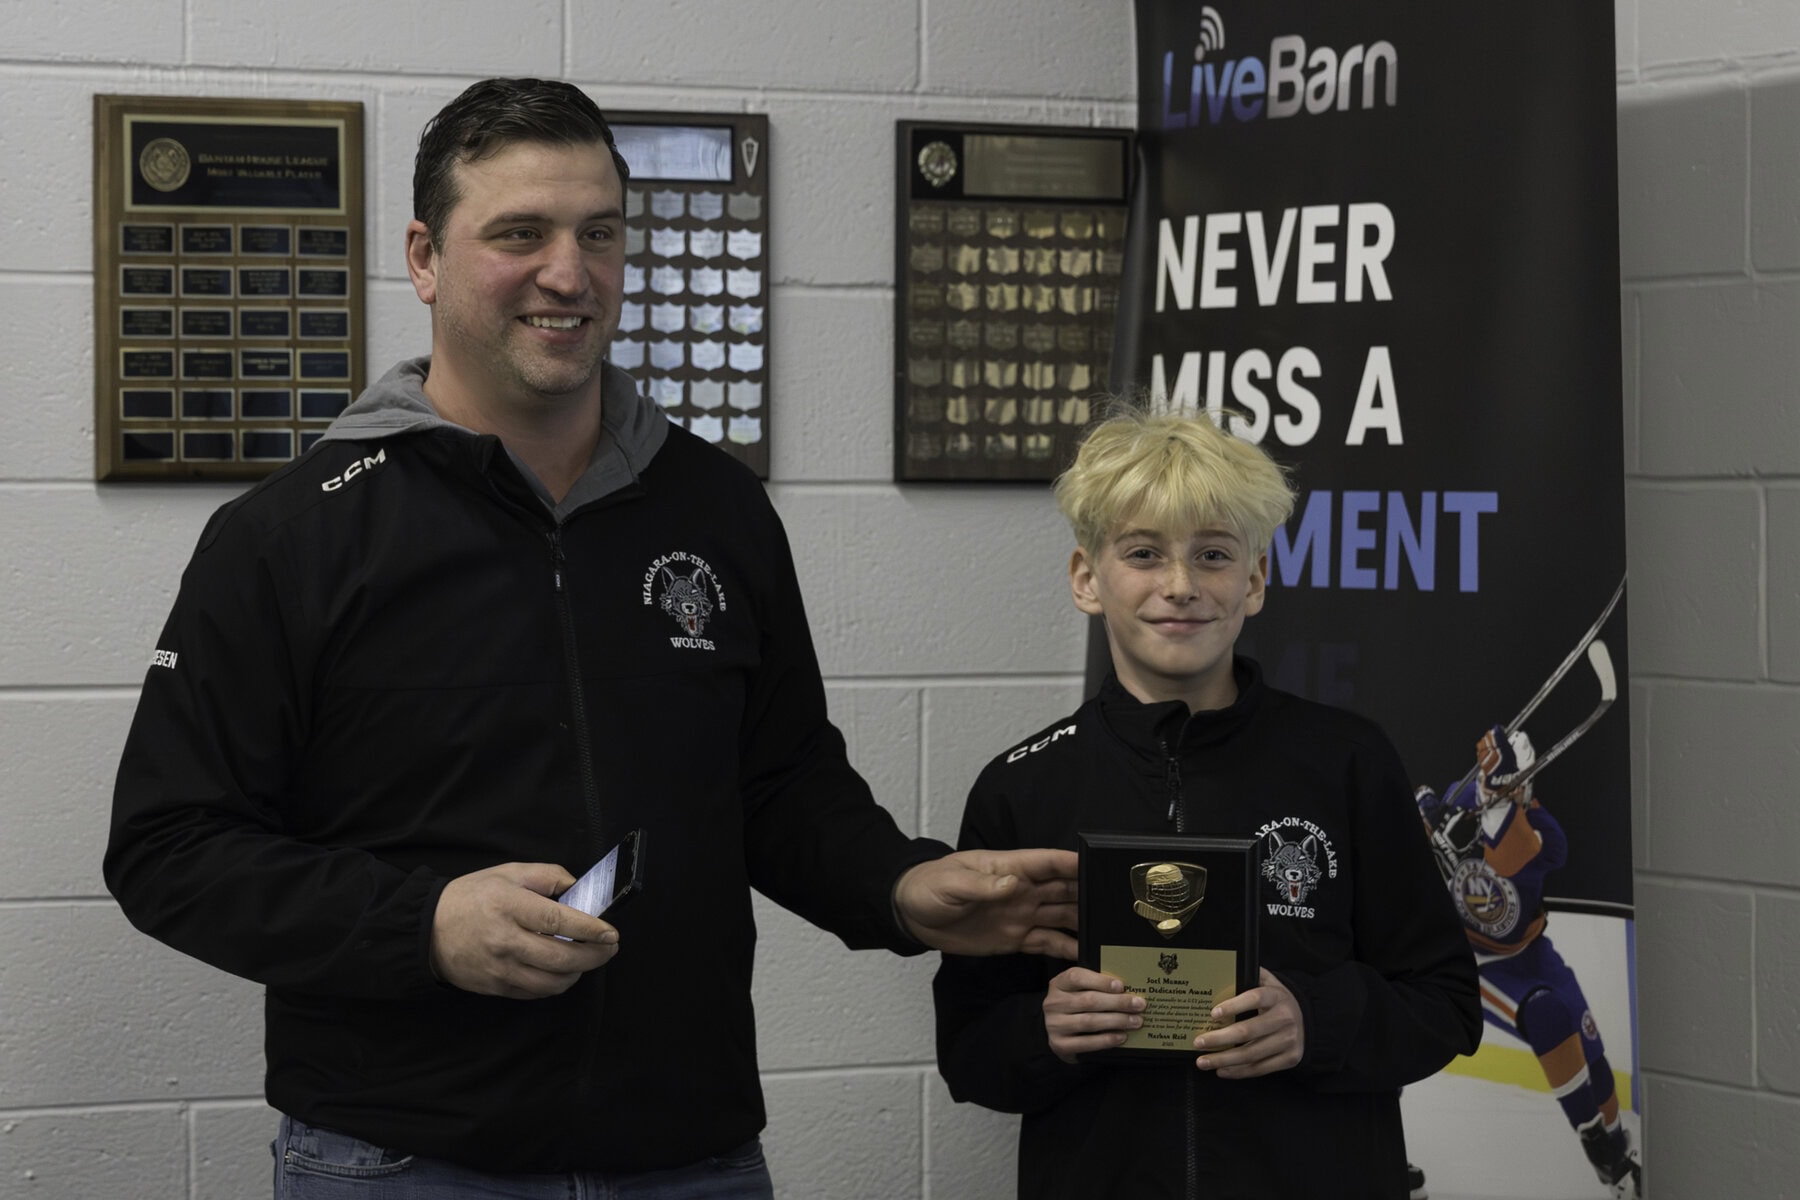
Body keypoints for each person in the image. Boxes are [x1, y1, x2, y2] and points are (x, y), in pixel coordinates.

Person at [104, 77, 1077, 1198]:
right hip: (402, 1158)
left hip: (689, 1155)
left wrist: (900, 889)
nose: (570, 273)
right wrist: (422, 926)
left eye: (599, 233)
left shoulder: (714, 506)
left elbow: (779, 782)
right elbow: (169, 847)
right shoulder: (292, 535)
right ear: (425, 258)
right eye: (520, 233)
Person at [932, 404, 1481, 1198]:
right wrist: (1043, 1033)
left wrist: (1316, 1023)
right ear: (1088, 578)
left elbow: (1447, 1004)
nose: (1180, 586)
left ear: (1255, 579)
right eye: (1145, 553)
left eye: (1214, 555)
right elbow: (970, 1051)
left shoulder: (1348, 760)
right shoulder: (1021, 787)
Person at [1417, 726, 1641, 1198]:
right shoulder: (1463, 797)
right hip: (1478, 961)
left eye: (1521, 783)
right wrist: (1427, 817)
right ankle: (1594, 1139)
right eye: (1510, 783)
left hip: (1533, 953)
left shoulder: (1542, 833)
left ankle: (1619, 1157)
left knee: (1592, 1052)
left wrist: (1492, 806)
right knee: (1547, 1015)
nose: (1519, 790)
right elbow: (1415, 836)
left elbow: (1512, 860)